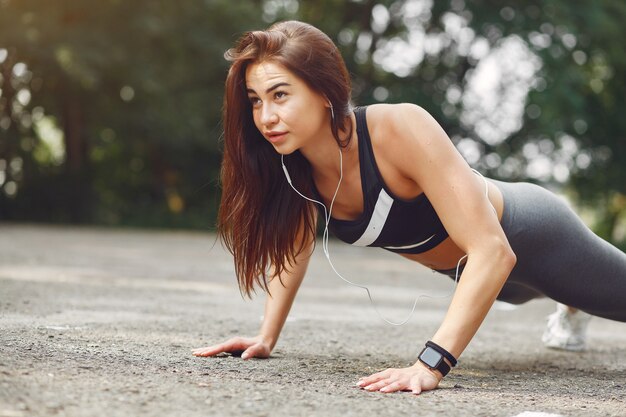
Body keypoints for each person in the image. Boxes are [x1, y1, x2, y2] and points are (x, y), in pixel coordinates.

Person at [192, 20, 626, 394]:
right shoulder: (294, 166)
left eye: (280, 95)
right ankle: (568, 302)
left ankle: (572, 303)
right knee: (520, 289)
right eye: (254, 100)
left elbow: (494, 251)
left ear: (324, 92)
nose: (265, 116)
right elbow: (295, 245)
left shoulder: (398, 127)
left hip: (533, 237)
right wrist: (266, 336)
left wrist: (430, 365)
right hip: (482, 280)